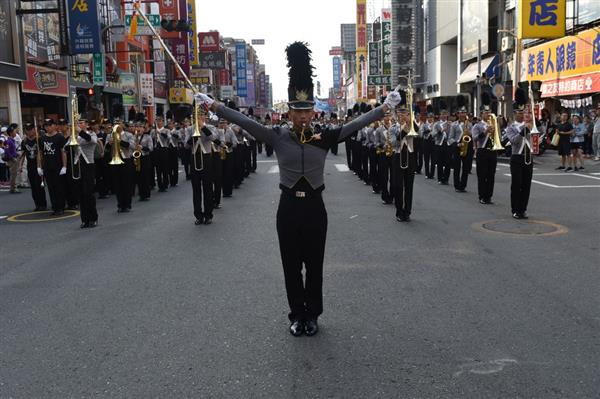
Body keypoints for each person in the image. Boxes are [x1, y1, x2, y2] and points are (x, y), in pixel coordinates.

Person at [195, 42, 401, 337]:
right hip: (288, 206)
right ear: (289, 112)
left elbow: (357, 124)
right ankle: (297, 314)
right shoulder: (277, 136)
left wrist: (384, 107)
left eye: (307, 112)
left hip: (315, 207)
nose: (303, 117)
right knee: (291, 266)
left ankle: (313, 314)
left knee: (314, 265)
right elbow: (244, 121)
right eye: (297, 111)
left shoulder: (326, 136)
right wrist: (213, 105)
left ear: (314, 113)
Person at [505, 88, 533, 219]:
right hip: (516, 157)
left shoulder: (529, 125)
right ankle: (515, 209)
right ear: (515, 113)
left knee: (526, 185)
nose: (522, 115)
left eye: (523, 112)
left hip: (528, 157)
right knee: (516, 184)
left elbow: (536, 138)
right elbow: (514, 142)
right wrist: (524, 130)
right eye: (519, 113)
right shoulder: (510, 128)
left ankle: (523, 209)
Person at [186, 110, 216, 225]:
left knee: (208, 187)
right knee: (196, 188)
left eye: (201, 115)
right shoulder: (189, 129)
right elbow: (186, 145)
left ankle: (208, 214)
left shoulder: (210, 127)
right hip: (194, 157)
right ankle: (198, 215)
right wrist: (193, 137)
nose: (199, 117)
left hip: (206, 157)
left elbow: (213, 138)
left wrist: (202, 127)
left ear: (205, 117)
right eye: (197, 116)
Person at [390, 96, 417, 222]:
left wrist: (410, 121)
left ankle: (408, 211)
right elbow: (394, 143)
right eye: (400, 113)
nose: (402, 116)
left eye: (404, 113)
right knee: (398, 186)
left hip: (410, 156)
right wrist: (404, 131)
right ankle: (399, 211)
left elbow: (418, 133)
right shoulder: (392, 128)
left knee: (409, 186)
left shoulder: (412, 125)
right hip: (398, 156)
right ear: (396, 114)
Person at [471, 97, 497, 205]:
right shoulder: (477, 125)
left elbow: (497, 138)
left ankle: (489, 196)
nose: (488, 114)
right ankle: (482, 196)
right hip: (482, 151)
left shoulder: (494, 124)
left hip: (492, 151)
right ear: (481, 114)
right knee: (482, 175)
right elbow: (475, 138)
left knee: (491, 175)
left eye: (489, 112)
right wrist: (486, 131)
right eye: (486, 112)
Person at [74, 119, 98, 228]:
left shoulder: (91, 134)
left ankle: (93, 218)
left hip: (88, 164)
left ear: (87, 125)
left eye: (82, 122)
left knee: (88, 193)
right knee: (80, 194)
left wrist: (80, 132)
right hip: (78, 165)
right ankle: (84, 219)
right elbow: (65, 147)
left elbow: (92, 141)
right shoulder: (74, 136)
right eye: (78, 123)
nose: (79, 124)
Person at [40, 119, 67, 215]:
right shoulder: (42, 138)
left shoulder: (60, 137)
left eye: (49, 125)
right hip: (47, 166)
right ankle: (55, 207)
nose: (47, 127)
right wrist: (40, 166)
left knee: (59, 187)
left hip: (58, 166)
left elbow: (63, 152)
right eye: (46, 125)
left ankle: (61, 207)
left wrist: (64, 166)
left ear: (54, 125)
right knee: (51, 188)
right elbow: (41, 153)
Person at [20, 123, 47, 210]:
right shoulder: (24, 141)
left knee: (39, 185)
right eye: (27, 129)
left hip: (39, 166)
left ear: (34, 130)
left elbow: (41, 153)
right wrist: (20, 165)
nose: (29, 131)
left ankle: (43, 204)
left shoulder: (39, 140)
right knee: (33, 187)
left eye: (31, 129)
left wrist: (40, 166)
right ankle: (37, 204)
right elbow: (23, 154)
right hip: (30, 166)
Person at [448, 97, 473, 193]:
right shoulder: (454, 125)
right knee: (457, 167)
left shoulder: (470, 124)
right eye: (461, 113)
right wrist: (457, 144)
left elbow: (473, 136)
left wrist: (469, 133)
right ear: (458, 114)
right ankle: (457, 185)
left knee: (466, 168)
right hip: (458, 147)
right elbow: (450, 138)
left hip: (467, 147)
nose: (463, 114)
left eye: (464, 112)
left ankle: (463, 185)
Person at [432, 106, 450, 185]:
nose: (444, 116)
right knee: (439, 162)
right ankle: (440, 178)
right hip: (439, 144)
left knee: (447, 162)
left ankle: (446, 178)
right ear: (440, 115)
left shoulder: (450, 124)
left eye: (445, 114)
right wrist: (441, 131)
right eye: (442, 114)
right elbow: (433, 134)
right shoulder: (436, 124)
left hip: (447, 143)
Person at [420, 107, 435, 179]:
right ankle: (427, 173)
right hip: (426, 142)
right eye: (429, 117)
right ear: (427, 118)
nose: (431, 119)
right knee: (426, 158)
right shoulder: (424, 124)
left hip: (433, 142)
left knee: (433, 159)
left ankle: (432, 174)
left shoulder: (435, 125)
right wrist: (429, 130)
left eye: (432, 117)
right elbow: (421, 133)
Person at [3, 125, 20, 193]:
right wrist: (12, 158)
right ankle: (13, 188)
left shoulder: (12, 140)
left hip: (14, 158)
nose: (15, 132)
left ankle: (13, 187)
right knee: (13, 174)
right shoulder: (8, 141)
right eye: (14, 131)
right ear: (11, 133)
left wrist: (16, 154)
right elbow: (7, 150)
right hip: (12, 160)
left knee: (14, 174)